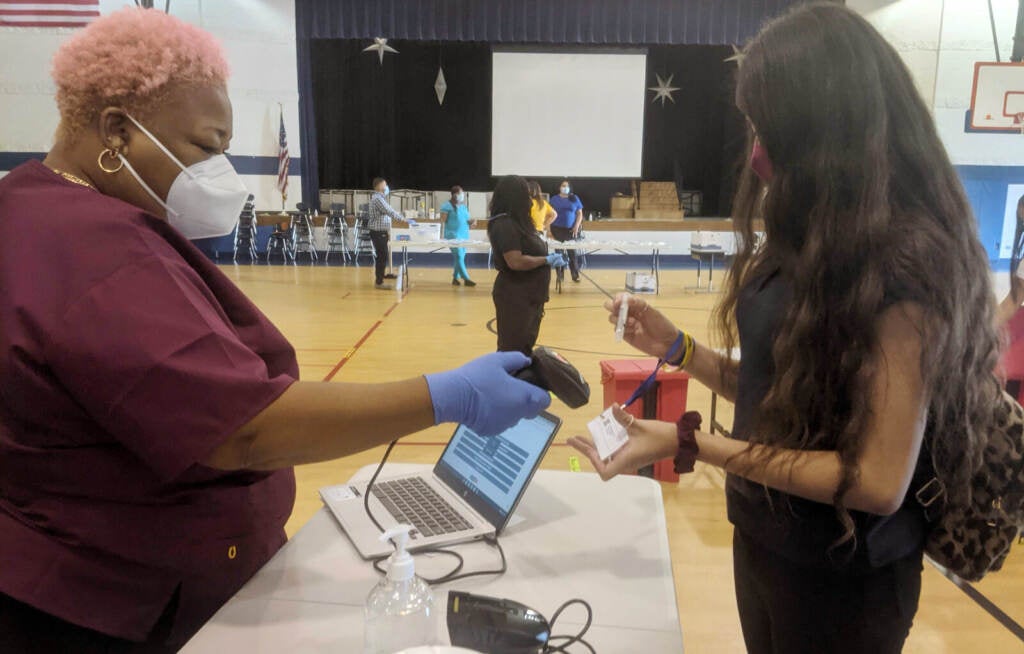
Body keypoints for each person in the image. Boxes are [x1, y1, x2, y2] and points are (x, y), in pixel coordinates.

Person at [0, 9, 550, 652]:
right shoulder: (93, 246)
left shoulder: (29, 204)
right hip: (115, 605)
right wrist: (445, 396)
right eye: (205, 148)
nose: (218, 174)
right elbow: (242, 429)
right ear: (117, 132)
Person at [568, 5, 1002, 653]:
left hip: (847, 579)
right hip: (766, 539)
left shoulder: (907, 265)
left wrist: (691, 443)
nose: (756, 151)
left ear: (825, 131)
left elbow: (879, 481)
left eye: (768, 128)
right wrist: (677, 348)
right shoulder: (809, 234)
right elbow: (786, 388)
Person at [486, 175, 567, 355]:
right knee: (512, 350)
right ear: (514, 197)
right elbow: (515, 261)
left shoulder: (519, 222)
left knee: (524, 348)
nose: (529, 199)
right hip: (516, 296)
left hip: (530, 295)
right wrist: (545, 260)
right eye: (525, 194)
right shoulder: (505, 224)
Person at [367, 177, 416, 289]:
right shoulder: (378, 199)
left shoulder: (380, 198)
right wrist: (404, 219)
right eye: (385, 185)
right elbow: (390, 211)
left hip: (382, 232)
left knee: (383, 255)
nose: (387, 187)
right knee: (382, 255)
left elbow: (388, 212)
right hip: (378, 232)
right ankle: (379, 282)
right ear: (379, 186)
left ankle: (382, 276)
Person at [548, 179, 584, 283]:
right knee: (558, 253)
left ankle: (575, 274)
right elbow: (549, 215)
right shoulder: (554, 199)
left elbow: (579, 213)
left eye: (567, 186)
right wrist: (549, 230)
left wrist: (576, 226)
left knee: (572, 252)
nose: (565, 187)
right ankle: (560, 275)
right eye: (563, 185)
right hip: (556, 229)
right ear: (559, 187)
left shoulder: (574, 198)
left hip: (570, 230)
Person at [439, 184, 476, 287]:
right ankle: (466, 278)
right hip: (452, 236)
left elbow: (468, 220)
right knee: (459, 256)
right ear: (454, 195)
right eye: (461, 193)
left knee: (460, 258)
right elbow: (442, 220)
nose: (462, 195)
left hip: (464, 236)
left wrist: (472, 222)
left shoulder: (464, 207)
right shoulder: (446, 206)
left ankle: (455, 278)